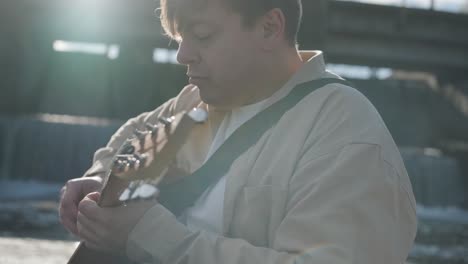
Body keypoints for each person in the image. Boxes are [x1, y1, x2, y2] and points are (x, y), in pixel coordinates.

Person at [59, 0, 418, 263]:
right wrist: (102, 182)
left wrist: (148, 234)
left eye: (202, 36)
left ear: (269, 27)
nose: (182, 55)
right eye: (180, 38)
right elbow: (132, 140)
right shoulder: (195, 104)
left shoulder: (347, 134)